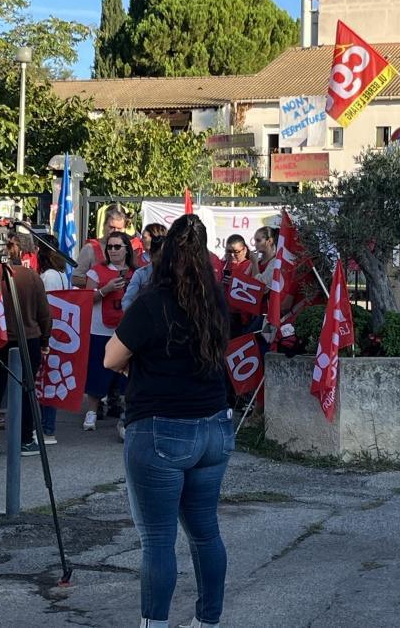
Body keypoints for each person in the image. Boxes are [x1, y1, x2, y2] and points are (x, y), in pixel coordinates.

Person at [103, 214, 233, 628]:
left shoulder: (152, 303)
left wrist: (137, 367)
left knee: (158, 539)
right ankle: (209, 621)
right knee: (205, 532)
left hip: (160, 429)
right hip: (214, 427)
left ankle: (155, 624)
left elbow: (110, 358)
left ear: (166, 253)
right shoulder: (217, 302)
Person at [0, 233, 49, 458]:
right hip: (27, 337)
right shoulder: (30, 276)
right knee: (27, 389)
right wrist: (45, 340)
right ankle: (26, 439)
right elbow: (44, 314)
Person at [81, 230, 137, 432]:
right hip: (100, 329)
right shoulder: (96, 271)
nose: (112, 250)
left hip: (126, 330)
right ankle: (92, 412)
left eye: (117, 247)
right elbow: (87, 299)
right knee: (98, 371)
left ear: (126, 249)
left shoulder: (136, 272)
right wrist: (106, 290)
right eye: (110, 247)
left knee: (126, 375)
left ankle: (125, 414)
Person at [37, 234, 71, 446]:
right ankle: (46, 427)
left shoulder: (48, 276)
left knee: (45, 381)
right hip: (58, 331)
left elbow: (45, 307)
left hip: (48, 331)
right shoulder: (60, 274)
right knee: (48, 381)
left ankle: (46, 428)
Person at [72, 205, 140, 287]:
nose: (115, 231)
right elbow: (75, 279)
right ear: (104, 225)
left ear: (124, 229)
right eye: (111, 227)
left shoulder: (130, 248)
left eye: (119, 228)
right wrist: (101, 282)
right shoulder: (90, 249)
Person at [124, 223, 167, 308]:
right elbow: (128, 298)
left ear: (155, 238)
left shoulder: (174, 266)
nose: (140, 240)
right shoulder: (134, 259)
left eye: (144, 237)